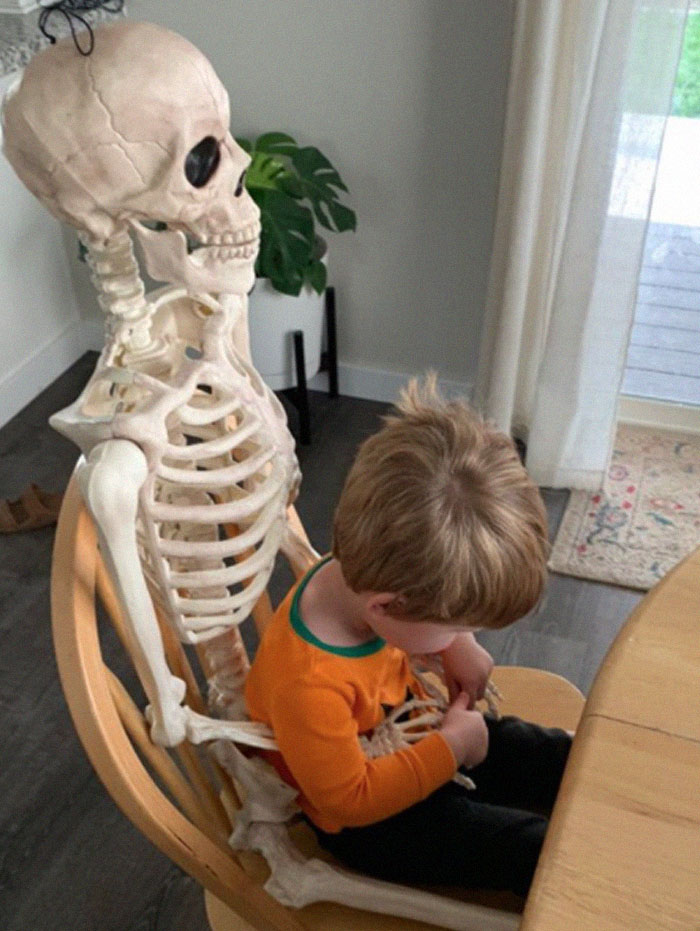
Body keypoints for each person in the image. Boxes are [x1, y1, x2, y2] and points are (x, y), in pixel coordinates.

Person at [245, 375, 571, 898]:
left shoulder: (364, 576)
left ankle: (609, 786)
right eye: (455, 624)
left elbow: (417, 626)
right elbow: (348, 801)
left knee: (535, 750)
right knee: (521, 848)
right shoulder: (308, 685)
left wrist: (453, 645)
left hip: (410, 731)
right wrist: (452, 748)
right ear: (387, 607)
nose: (462, 635)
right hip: (371, 821)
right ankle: (595, 878)